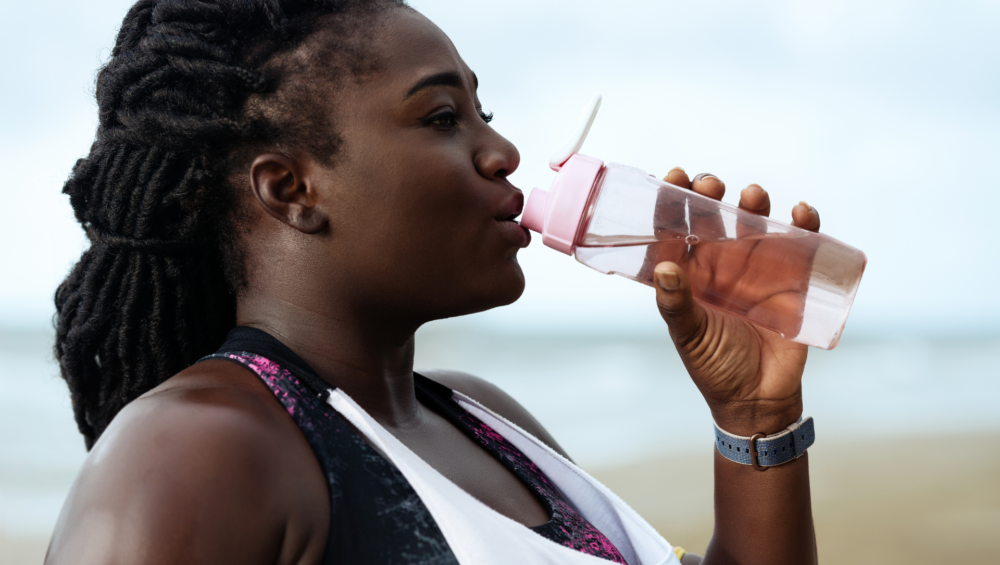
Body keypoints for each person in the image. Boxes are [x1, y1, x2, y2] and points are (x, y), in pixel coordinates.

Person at [47, 1, 822, 563]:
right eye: (443, 116)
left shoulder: (484, 419)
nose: (504, 151)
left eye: (484, 111)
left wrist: (756, 418)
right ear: (291, 190)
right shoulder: (202, 449)